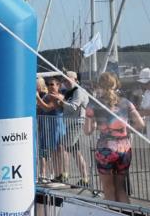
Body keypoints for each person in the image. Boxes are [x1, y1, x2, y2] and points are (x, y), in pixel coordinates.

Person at [85, 72, 145, 203]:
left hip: (105, 148)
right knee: (121, 187)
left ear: (99, 85)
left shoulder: (93, 105)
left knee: (108, 188)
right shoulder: (126, 103)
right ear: (116, 84)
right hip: (124, 148)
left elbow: (87, 131)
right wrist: (125, 130)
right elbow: (140, 124)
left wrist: (97, 125)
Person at [60, 71, 90, 186]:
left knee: (64, 148)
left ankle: (65, 175)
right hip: (71, 124)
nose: (66, 82)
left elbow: (73, 107)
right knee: (75, 152)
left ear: (76, 80)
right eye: (64, 80)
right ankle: (85, 179)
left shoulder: (78, 91)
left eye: (68, 80)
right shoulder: (72, 91)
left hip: (76, 123)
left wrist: (60, 101)